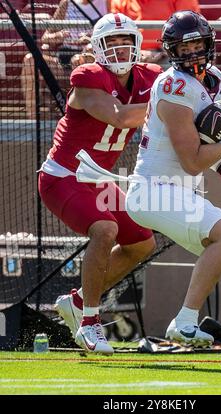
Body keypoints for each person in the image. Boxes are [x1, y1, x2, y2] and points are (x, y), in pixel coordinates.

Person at [124, 10, 221, 371]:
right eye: (186, 45)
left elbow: (200, 145)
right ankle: (184, 320)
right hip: (154, 189)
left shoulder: (213, 79)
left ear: (210, 43)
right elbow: (192, 160)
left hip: (177, 188)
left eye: (199, 43)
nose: (194, 52)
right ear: (171, 50)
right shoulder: (173, 86)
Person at [38, 12, 163, 354]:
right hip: (63, 177)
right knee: (105, 229)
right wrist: (162, 99)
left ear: (138, 45)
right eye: (112, 43)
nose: (121, 51)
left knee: (142, 244)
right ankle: (90, 323)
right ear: (96, 48)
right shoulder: (88, 76)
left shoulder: (150, 76)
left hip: (99, 180)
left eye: (126, 43)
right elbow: (120, 116)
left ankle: (78, 301)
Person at [21, 0, 109, 119]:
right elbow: (46, 37)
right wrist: (59, 36)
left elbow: (114, 39)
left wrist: (92, 41)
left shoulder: (108, 3)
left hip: (93, 60)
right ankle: (32, 121)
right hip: (63, 63)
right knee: (30, 60)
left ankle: (88, 119)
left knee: (80, 59)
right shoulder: (67, 3)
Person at [110, 0, 200, 64]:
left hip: (170, 55)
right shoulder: (119, 1)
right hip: (132, 56)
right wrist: (136, 53)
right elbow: (116, 36)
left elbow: (190, 30)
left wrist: (163, 51)